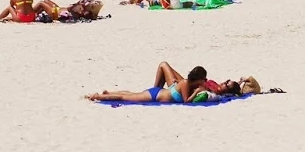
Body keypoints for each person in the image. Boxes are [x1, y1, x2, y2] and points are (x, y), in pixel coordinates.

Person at [85, 62, 213, 104]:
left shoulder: (186, 83)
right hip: (155, 95)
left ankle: (109, 93)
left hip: (158, 93)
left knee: (132, 94)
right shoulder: (185, 83)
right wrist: (196, 91)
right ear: (198, 79)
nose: (205, 81)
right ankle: (96, 96)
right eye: (204, 79)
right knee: (125, 97)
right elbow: (186, 102)